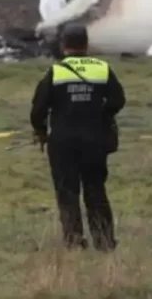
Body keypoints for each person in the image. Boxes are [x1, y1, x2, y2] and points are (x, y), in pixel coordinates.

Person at [29, 24, 126, 251]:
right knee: (96, 190)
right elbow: (118, 100)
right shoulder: (102, 69)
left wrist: (41, 131)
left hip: (63, 142)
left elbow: (38, 109)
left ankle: (73, 240)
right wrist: (101, 115)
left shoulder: (55, 72)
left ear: (64, 45)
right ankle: (104, 240)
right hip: (95, 140)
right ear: (87, 44)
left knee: (67, 192)